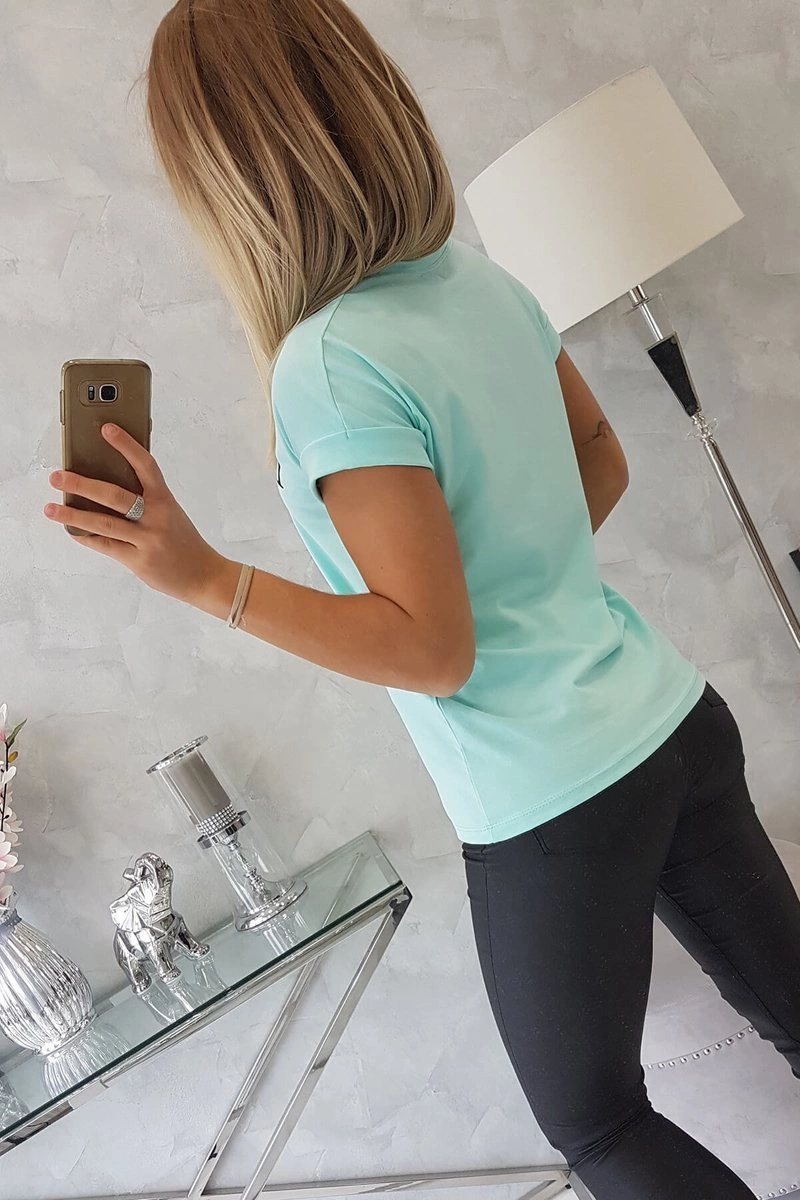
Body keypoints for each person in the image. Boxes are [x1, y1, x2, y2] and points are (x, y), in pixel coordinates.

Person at [43, 2, 800, 1196]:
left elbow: (432, 651)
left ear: (226, 175)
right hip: (668, 721)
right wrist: (508, 578)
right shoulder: (477, 284)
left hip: (554, 796)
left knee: (599, 1127)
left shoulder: (328, 364)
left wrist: (206, 580)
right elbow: (598, 459)